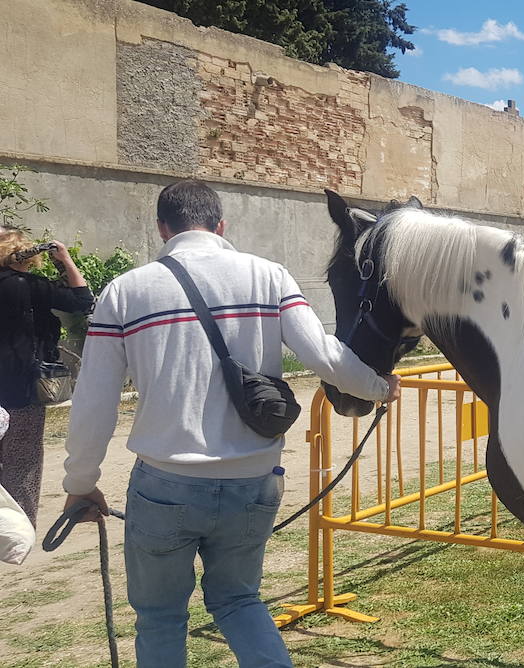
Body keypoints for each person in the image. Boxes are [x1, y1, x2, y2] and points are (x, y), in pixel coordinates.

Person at [61, 180, 403, 667]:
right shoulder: (269, 277)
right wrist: (376, 386)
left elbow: (94, 399)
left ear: (162, 229)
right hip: (253, 480)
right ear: (222, 226)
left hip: (164, 486)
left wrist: (81, 483)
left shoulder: (125, 291)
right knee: (239, 601)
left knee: (159, 616)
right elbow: (325, 355)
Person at [0, 229, 93, 528]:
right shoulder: (32, 287)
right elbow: (82, 299)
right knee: (22, 460)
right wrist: (64, 260)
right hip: (21, 389)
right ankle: (17, 528)